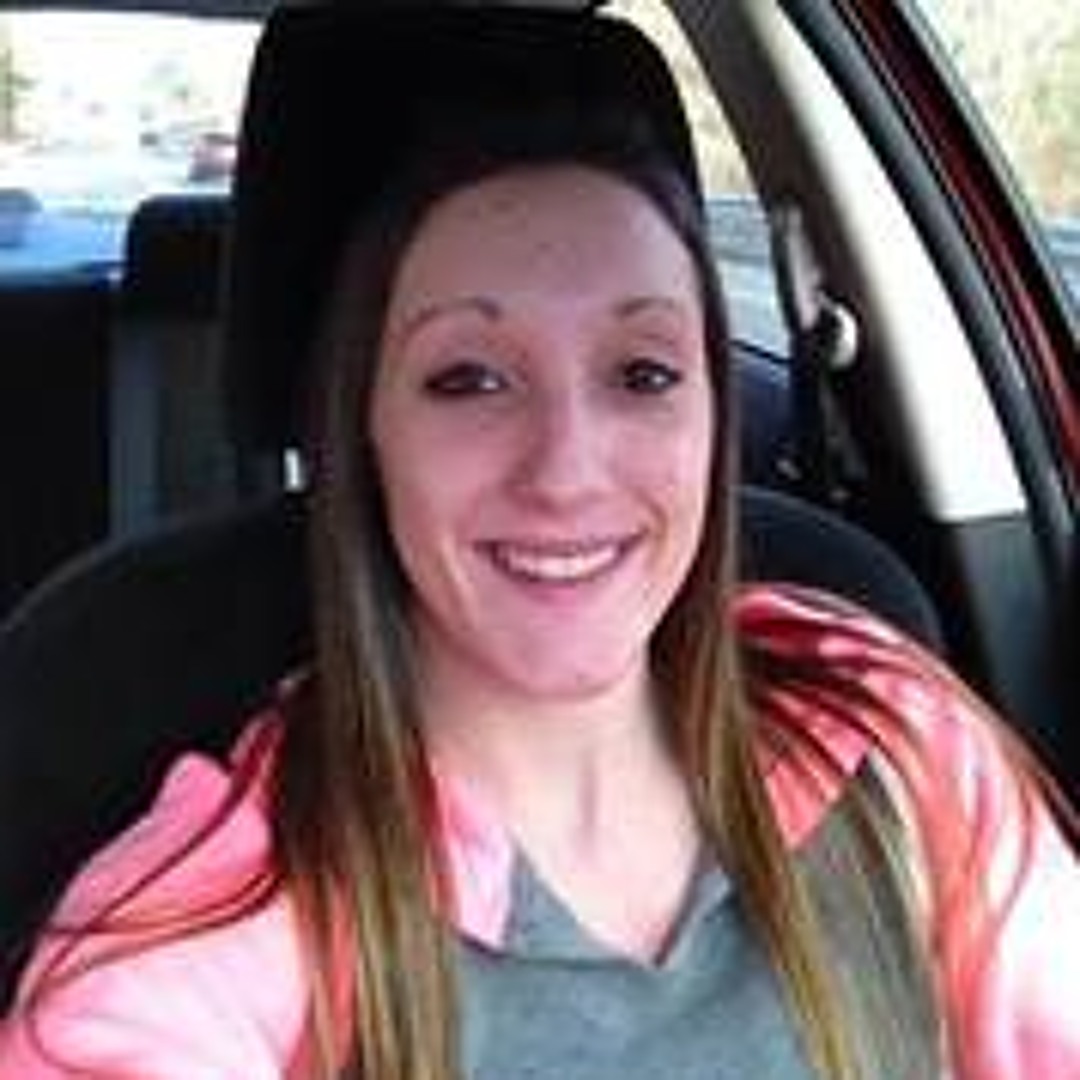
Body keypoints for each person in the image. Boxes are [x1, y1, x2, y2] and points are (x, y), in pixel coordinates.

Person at [1, 24, 1078, 1080]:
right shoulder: (235, 899)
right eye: (469, 378)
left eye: (643, 374)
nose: (567, 472)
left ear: (714, 418)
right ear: (367, 432)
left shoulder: (885, 724)